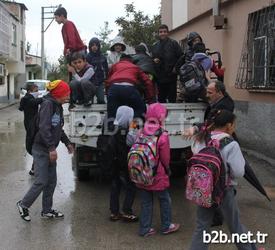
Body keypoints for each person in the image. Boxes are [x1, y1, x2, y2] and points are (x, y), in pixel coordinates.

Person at [189, 109, 257, 250]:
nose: (234, 127)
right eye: (234, 124)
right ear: (228, 125)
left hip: (204, 187)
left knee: (202, 226)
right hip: (224, 189)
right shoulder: (231, 144)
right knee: (234, 225)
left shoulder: (201, 138)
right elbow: (239, 172)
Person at [17, 80, 74, 222]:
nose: (68, 97)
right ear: (59, 93)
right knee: (41, 181)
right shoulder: (48, 105)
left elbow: (57, 128)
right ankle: (23, 204)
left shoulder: (57, 106)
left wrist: (67, 143)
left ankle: (47, 210)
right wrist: (51, 148)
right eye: (66, 94)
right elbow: (44, 128)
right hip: (41, 148)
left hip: (48, 149)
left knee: (51, 181)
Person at [131, 103, 180, 237]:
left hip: (141, 172)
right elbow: (165, 158)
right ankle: (166, 226)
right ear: (160, 116)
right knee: (164, 199)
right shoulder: (162, 134)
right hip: (157, 173)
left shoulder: (140, 130)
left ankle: (145, 229)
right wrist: (167, 169)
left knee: (146, 201)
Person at [106, 54, 155, 125]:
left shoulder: (115, 65)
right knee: (140, 109)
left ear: (120, 60)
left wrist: (108, 95)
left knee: (111, 113)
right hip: (129, 89)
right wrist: (150, 98)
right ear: (131, 61)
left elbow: (107, 81)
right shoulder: (135, 67)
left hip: (114, 88)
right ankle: (133, 127)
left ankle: (111, 131)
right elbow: (147, 82)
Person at [109, 106, 138, 222]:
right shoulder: (127, 129)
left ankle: (114, 212)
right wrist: (133, 128)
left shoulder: (112, 126)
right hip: (125, 162)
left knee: (115, 186)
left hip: (113, 161)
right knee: (131, 187)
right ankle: (127, 212)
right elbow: (132, 141)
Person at [151, 24, 183, 103]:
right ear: (158, 34)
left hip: (171, 76)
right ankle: (162, 115)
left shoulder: (174, 43)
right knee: (161, 100)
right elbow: (151, 59)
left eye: (164, 32)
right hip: (160, 77)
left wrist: (176, 68)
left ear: (168, 33)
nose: (162, 33)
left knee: (172, 99)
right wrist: (154, 60)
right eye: (161, 32)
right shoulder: (155, 45)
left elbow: (181, 57)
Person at [19, 82, 43, 176]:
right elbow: (35, 102)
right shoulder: (28, 99)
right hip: (31, 125)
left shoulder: (28, 98)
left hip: (32, 124)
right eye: (36, 91)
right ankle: (35, 168)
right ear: (30, 91)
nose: (37, 92)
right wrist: (47, 97)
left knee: (36, 145)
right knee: (35, 145)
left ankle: (34, 168)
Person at [86, 37, 108, 104]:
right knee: (89, 102)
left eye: (96, 45)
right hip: (90, 82)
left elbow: (106, 69)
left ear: (98, 46)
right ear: (90, 46)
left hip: (100, 82)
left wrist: (105, 80)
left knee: (101, 100)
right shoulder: (87, 57)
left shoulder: (103, 57)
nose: (94, 47)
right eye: (92, 45)